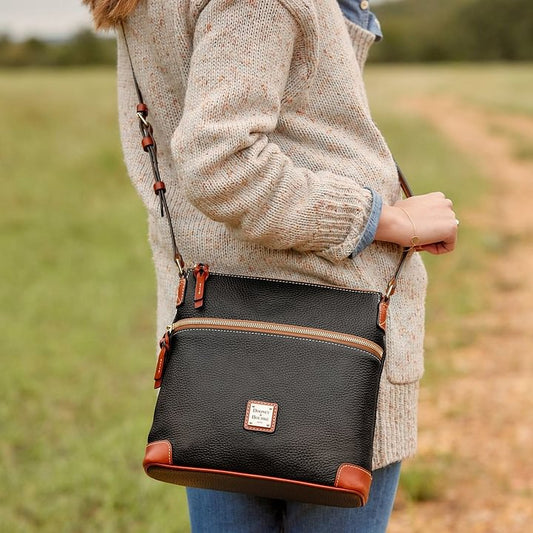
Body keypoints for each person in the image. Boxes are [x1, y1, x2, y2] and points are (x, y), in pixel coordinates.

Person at [84, 1, 458, 531]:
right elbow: (220, 159)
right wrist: (381, 219)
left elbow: (306, 104)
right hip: (335, 331)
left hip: (214, 327)